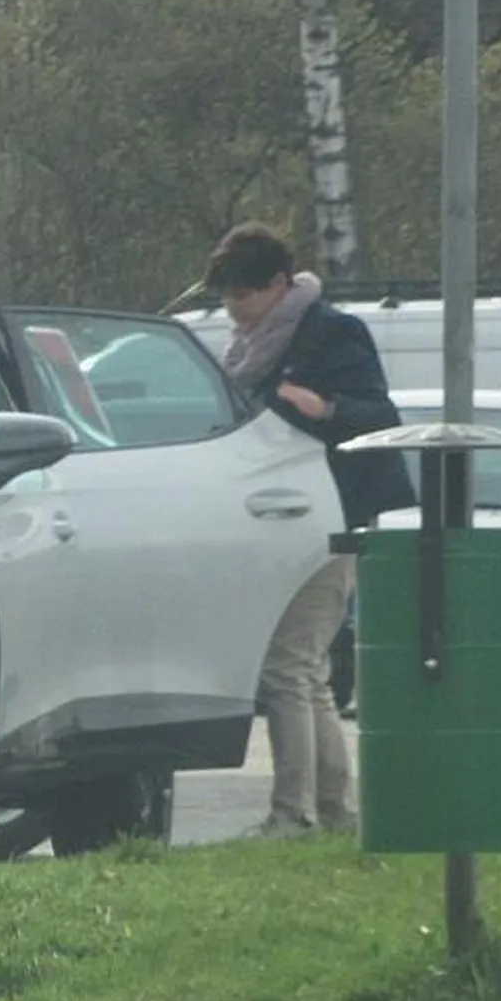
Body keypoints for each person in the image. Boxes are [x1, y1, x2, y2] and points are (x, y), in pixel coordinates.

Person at [204, 222, 414, 836]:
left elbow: (383, 418)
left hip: (330, 517)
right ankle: (333, 811)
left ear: (277, 285)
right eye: (226, 300)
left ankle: (293, 814)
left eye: (242, 297)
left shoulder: (332, 332)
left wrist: (328, 410)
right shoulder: (251, 348)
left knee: (288, 666)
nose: (234, 313)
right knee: (306, 669)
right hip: (278, 518)